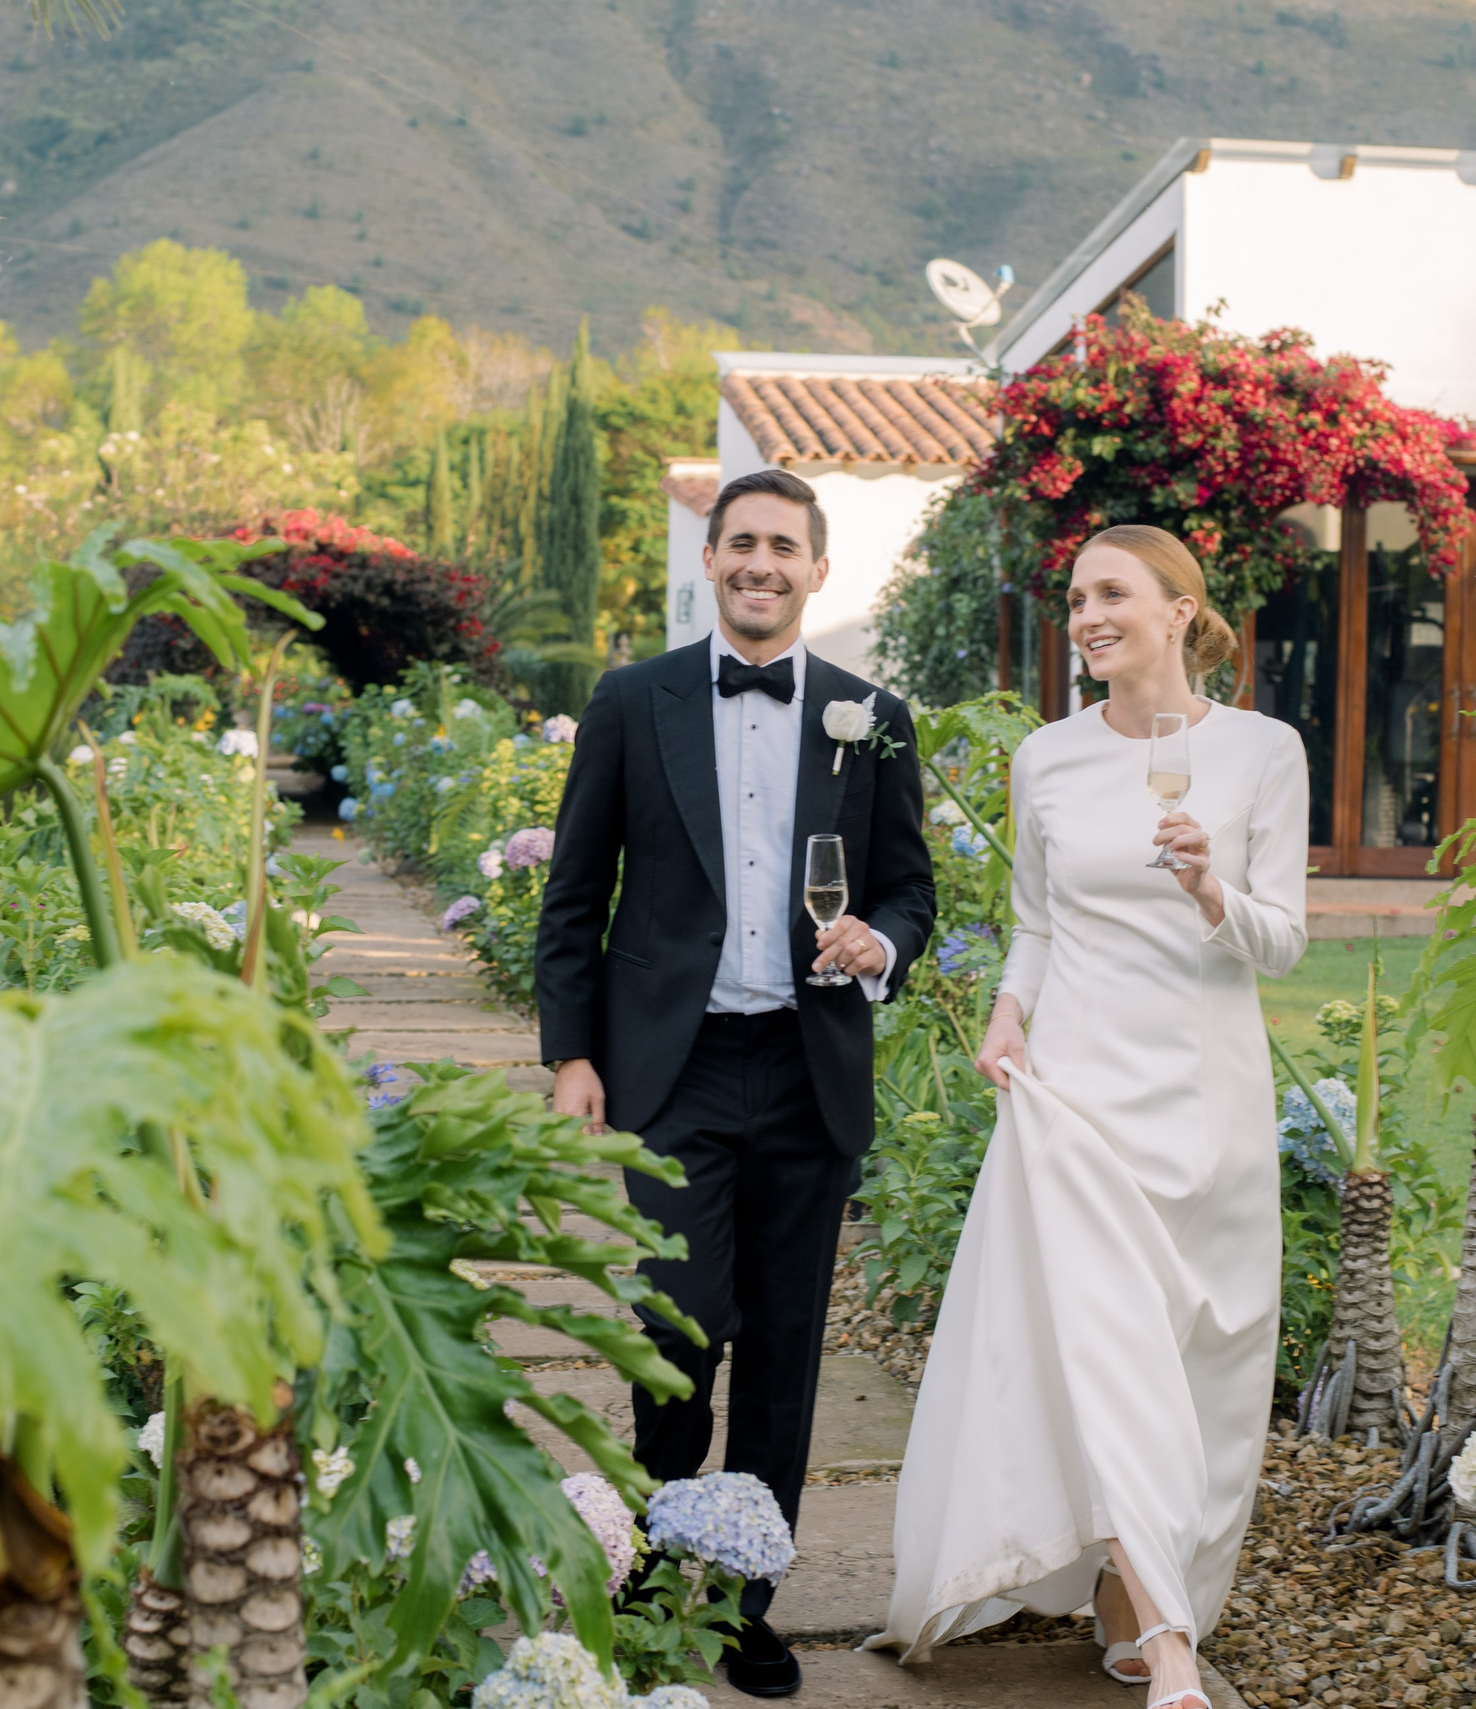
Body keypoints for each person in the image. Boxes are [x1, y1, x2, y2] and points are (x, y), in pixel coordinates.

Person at [867, 524, 1308, 1709]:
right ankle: (1170, 1646)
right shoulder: (1048, 758)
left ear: (1180, 610)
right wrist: (1009, 1011)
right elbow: (1038, 921)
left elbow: (1284, 936)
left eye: (1112, 593)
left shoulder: (1264, 750)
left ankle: (1131, 1585)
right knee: (1104, 1347)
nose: (1087, 614)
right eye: (1074, 598)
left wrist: (1213, 885)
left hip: (1205, 1095)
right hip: (1070, 1092)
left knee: (1196, 1361)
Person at [536, 468, 937, 1699]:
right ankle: (661, 1563)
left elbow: (910, 889)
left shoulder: (875, 716)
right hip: (676, 1069)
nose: (763, 563)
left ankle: (747, 1596)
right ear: (710, 558)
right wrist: (570, 1056)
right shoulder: (630, 700)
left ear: (820, 570)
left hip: (808, 1070)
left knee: (783, 1348)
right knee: (675, 1328)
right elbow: (571, 899)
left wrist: (883, 939)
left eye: (786, 546)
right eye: (743, 542)